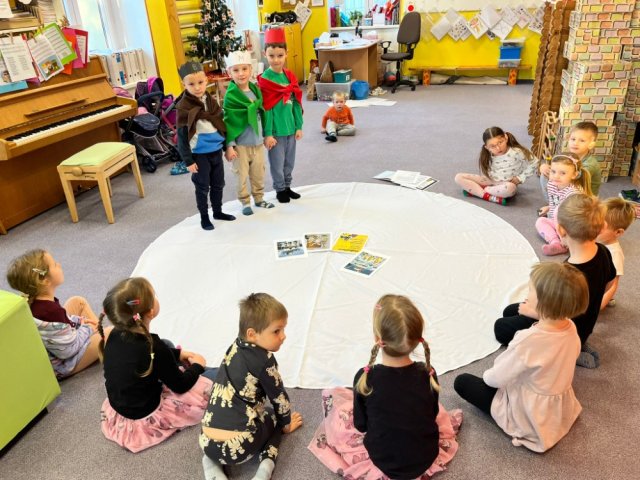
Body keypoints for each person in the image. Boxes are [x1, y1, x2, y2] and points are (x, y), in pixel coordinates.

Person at [308, 295, 462, 480]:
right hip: (426, 456)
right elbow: (433, 413)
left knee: (338, 407)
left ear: (377, 338)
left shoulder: (365, 377)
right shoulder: (428, 372)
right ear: (417, 339)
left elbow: (361, 425)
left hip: (383, 460)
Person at [455, 262, 587, 452]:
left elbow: (495, 378)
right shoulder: (570, 327)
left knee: (462, 382)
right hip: (555, 404)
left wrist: (488, 376)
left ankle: (517, 420)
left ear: (543, 302)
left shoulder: (528, 340)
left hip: (530, 412)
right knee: (511, 312)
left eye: (531, 289)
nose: (527, 292)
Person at [495, 194, 616, 369]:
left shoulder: (568, 274)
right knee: (509, 310)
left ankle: (572, 351)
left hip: (564, 332)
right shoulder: (603, 251)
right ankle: (578, 344)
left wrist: (533, 312)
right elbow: (609, 284)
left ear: (561, 230)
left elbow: (558, 317)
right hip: (583, 325)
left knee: (500, 328)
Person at [98, 277, 214, 452]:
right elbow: (180, 386)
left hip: (121, 409)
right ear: (151, 312)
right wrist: (198, 365)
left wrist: (177, 354)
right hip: (145, 416)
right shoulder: (153, 346)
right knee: (211, 379)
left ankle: (176, 359)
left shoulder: (114, 333)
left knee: (166, 344)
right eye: (154, 296)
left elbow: (145, 355)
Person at [200, 293, 303, 480]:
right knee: (274, 419)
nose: (283, 336)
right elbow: (279, 398)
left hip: (206, 441)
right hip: (240, 447)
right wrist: (286, 424)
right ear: (252, 334)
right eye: (276, 331)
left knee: (227, 420)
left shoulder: (234, 347)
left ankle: (211, 464)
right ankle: (264, 469)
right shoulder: (265, 361)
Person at [6, 249, 111, 379]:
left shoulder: (39, 303)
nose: (59, 264)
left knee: (77, 301)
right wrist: (87, 329)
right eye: (55, 264)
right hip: (66, 363)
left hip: (63, 340)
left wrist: (79, 322)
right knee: (110, 332)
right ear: (44, 281)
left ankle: (99, 337)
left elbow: (63, 322)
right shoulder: (50, 311)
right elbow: (68, 350)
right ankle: (103, 339)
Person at [176, 60, 236, 230]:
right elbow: (182, 137)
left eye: (200, 82)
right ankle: (204, 217)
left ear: (206, 80)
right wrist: (188, 160)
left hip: (215, 150)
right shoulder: (183, 106)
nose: (197, 87)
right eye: (191, 84)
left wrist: (227, 147)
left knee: (218, 184)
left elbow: (220, 124)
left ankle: (218, 211)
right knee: (202, 187)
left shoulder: (210, 100)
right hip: (199, 154)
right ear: (184, 84)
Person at [223, 50, 275, 217]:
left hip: (257, 142)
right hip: (241, 145)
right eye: (236, 70)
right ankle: (245, 201)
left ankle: (259, 198)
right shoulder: (231, 96)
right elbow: (228, 122)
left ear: (250, 70)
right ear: (229, 72)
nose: (241, 73)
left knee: (259, 172)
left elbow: (263, 113)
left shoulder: (255, 90)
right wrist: (229, 146)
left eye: (244, 69)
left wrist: (267, 134)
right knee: (241, 175)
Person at [257, 27, 304, 204]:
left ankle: (287, 186)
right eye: (271, 56)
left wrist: (298, 126)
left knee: (289, 161)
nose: (276, 60)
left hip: (290, 128)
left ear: (286, 54)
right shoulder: (265, 80)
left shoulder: (289, 76)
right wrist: (268, 134)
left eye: (280, 55)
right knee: (277, 162)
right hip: (276, 131)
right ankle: (280, 189)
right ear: (265, 54)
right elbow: (266, 109)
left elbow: (296, 103)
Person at [454, 126, 537, 205]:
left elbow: (535, 162)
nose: (498, 148)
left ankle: (477, 191)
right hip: (489, 180)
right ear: (487, 147)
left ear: (506, 137)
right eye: (492, 146)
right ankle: (487, 196)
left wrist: (520, 178)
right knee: (458, 177)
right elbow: (486, 172)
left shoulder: (516, 152)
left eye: (500, 142)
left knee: (511, 189)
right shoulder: (488, 153)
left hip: (506, 184)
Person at [536, 153, 592, 256]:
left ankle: (564, 242)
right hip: (556, 222)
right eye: (553, 171)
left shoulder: (573, 193)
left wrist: (565, 237)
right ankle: (555, 243)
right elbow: (555, 201)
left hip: (569, 226)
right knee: (540, 221)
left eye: (562, 173)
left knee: (559, 211)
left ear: (574, 175)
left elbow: (573, 217)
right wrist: (549, 208)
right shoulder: (552, 184)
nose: (556, 176)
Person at [540, 121, 601, 198]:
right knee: (546, 174)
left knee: (556, 177)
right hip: (572, 192)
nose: (575, 143)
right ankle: (555, 200)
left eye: (582, 140)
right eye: (573, 139)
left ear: (591, 144)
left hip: (584, 198)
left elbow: (572, 179)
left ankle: (557, 201)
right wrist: (544, 167)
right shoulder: (569, 157)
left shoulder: (590, 164)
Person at [597, 197, 635, 309]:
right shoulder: (597, 240)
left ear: (618, 232)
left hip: (599, 291)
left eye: (600, 226)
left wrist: (599, 305)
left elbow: (613, 284)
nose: (593, 228)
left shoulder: (615, 254)